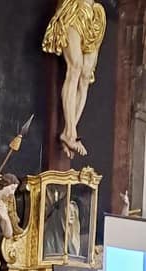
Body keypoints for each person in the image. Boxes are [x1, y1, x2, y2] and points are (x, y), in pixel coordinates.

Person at [42, 0, 107, 158]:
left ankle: (70, 132)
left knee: (86, 75)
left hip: (94, 14)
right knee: (75, 67)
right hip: (75, 8)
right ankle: (71, 133)